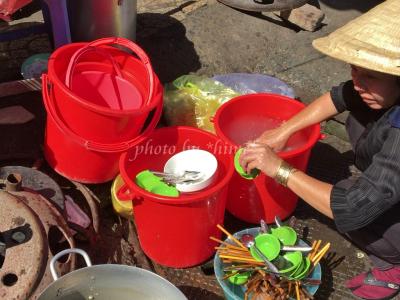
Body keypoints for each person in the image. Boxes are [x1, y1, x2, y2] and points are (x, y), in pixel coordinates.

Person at [239, 1, 400, 299]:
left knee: (351, 210)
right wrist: (283, 131)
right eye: (354, 70)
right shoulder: (378, 89)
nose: (357, 82)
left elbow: (351, 208)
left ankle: (394, 267)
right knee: (357, 112)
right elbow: (338, 97)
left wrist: (280, 169)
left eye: (370, 77)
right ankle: (378, 185)